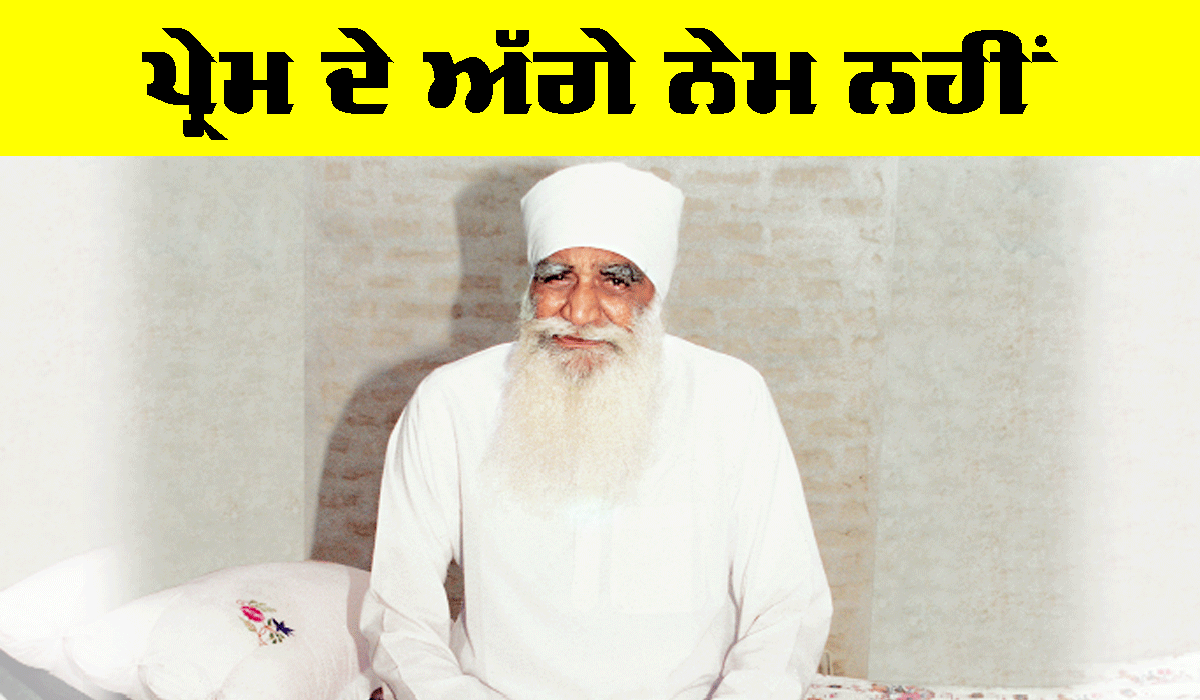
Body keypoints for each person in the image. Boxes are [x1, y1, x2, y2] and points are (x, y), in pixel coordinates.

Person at [361, 162, 832, 700]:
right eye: (557, 276)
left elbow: (787, 607)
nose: (580, 310)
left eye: (616, 279)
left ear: (655, 292)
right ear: (531, 286)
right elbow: (400, 617)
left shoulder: (730, 398)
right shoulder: (451, 403)